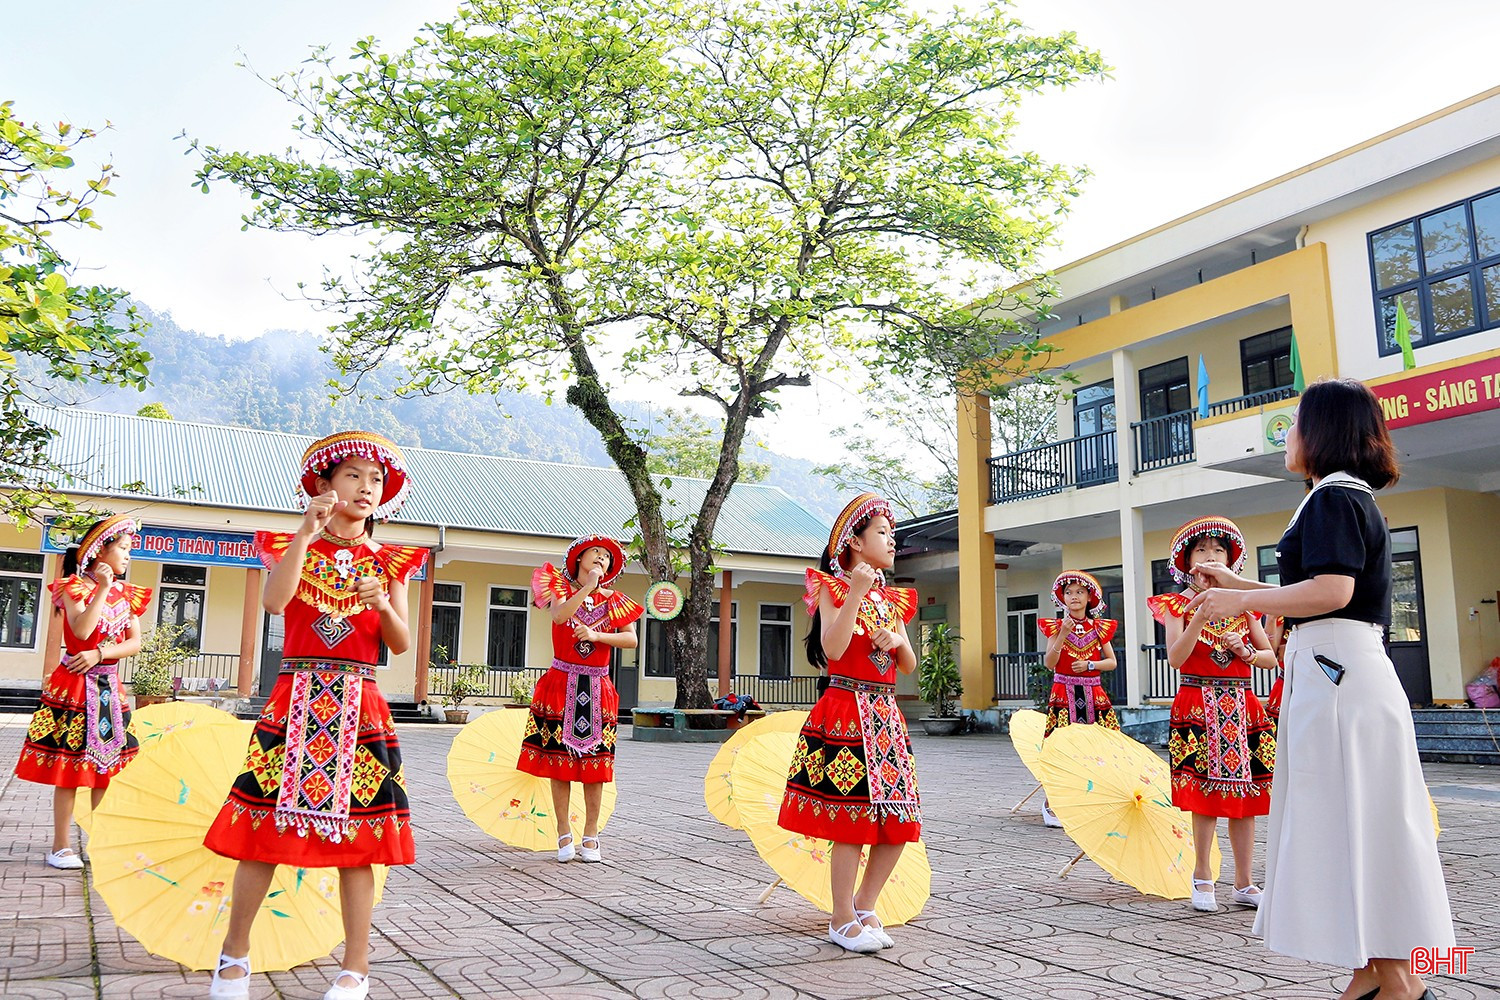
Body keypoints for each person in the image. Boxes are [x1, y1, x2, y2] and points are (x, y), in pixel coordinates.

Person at [1187, 378, 1455, 1000]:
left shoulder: (1333, 496)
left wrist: (1239, 599)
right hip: (1342, 669)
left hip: (1337, 676)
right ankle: (1375, 973)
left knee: (1349, 820)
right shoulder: (1342, 495)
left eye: (1295, 422)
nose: (1287, 435)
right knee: (1358, 820)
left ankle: (1396, 980)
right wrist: (1237, 584)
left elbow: (1333, 593)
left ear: (1324, 430)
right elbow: (1328, 592)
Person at [203, 431, 428, 1000]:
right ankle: (234, 955)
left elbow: (401, 643)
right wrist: (305, 532)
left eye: (376, 480)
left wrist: (382, 603)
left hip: (361, 703)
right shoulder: (292, 543)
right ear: (325, 483)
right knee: (261, 832)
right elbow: (274, 603)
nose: (366, 488)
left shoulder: (391, 562)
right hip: (293, 700)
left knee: (361, 842)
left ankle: (356, 967)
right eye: (353, 475)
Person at [780, 493, 920, 954]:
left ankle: (865, 903)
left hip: (886, 714)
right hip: (846, 709)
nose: (892, 541)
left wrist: (897, 640)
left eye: (892, 533)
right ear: (855, 542)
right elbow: (834, 650)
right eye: (882, 532)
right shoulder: (832, 587)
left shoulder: (893, 599)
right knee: (851, 819)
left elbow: (908, 666)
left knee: (901, 817)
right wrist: (856, 592)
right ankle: (840, 918)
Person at [1148, 516, 1276, 914]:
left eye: (1218, 550)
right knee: (1204, 797)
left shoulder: (1244, 604)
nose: (1210, 556)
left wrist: (1245, 651)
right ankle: (1202, 876)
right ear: (1187, 560)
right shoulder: (1175, 605)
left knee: (1247, 798)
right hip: (1196, 703)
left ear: (1230, 560)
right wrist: (1199, 618)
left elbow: (1270, 659)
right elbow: (1175, 658)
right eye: (1201, 549)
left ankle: (1244, 881)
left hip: (1242, 705)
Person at [15, 514, 151, 868]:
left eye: (129, 549)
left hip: (109, 686)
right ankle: (61, 846)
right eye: (123, 548)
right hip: (75, 685)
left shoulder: (128, 594)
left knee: (106, 772)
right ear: (100, 551)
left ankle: (100, 845)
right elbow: (81, 631)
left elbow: (135, 643)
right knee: (70, 769)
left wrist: (100, 654)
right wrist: (102, 589)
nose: (128, 555)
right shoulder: (73, 588)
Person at [521, 535, 642, 864]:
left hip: (598, 686)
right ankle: (563, 831)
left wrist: (596, 635)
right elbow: (560, 616)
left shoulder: (617, 600)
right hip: (561, 684)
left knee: (596, 765)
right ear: (578, 560)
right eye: (595, 553)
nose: (601, 559)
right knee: (559, 763)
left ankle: (591, 833)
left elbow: (630, 639)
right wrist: (587, 588)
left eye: (607, 556)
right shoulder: (559, 588)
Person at [1036, 570, 1119, 828]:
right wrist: (1062, 634)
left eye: (1080, 592)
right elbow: (1050, 662)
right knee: (1060, 746)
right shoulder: (1056, 627)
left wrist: (1091, 664)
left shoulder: (1099, 627)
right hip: (1064, 691)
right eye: (1069, 592)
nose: (1074, 597)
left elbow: (1112, 662)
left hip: (1093, 692)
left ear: (1089, 597)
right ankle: (1052, 803)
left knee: (1100, 746)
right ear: (1062, 598)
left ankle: (1094, 800)